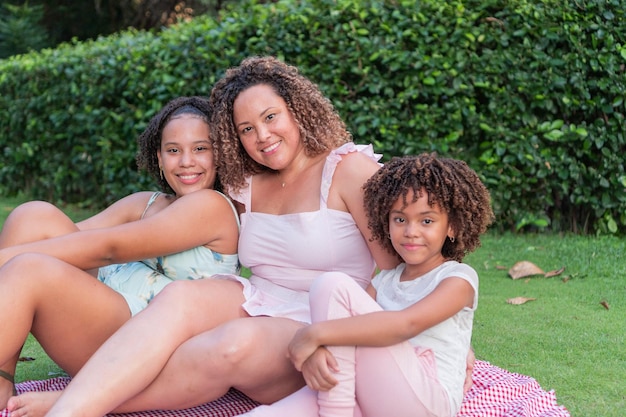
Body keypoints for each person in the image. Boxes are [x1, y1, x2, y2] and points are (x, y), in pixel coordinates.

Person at [32, 55, 401, 417]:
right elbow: (186, 196)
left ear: (297, 109)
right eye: (246, 129)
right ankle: (82, 400)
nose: (263, 136)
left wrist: (432, 332)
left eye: (270, 117)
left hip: (321, 319)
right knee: (181, 297)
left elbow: (403, 268)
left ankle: (74, 405)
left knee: (231, 343)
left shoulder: (350, 170)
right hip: (255, 299)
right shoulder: (247, 186)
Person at [0, 96, 240, 413]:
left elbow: (108, 248)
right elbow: (64, 237)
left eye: (200, 149)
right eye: (173, 150)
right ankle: (3, 379)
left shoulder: (212, 207)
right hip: (102, 318)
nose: (185, 161)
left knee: (27, 268)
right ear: (158, 156)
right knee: (33, 217)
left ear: (220, 154)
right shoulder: (146, 202)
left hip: (139, 347)